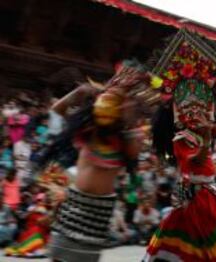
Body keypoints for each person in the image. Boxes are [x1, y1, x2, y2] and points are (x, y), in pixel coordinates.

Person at [145, 29, 216, 261]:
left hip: (208, 195)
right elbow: (197, 160)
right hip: (197, 200)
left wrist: (214, 123)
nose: (196, 110)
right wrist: (205, 137)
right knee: (205, 246)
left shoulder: (202, 131)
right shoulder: (181, 138)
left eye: (201, 104)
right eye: (189, 105)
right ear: (179, 112)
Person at [47, 62, 153, 262]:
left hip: (99, 211)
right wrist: (78, 93)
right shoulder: (86, 132)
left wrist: (129, 118)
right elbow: (57, 109)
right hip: (74, 202)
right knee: (59, 258)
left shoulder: (129, 138)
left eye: (118, 105)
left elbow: (132, 154)